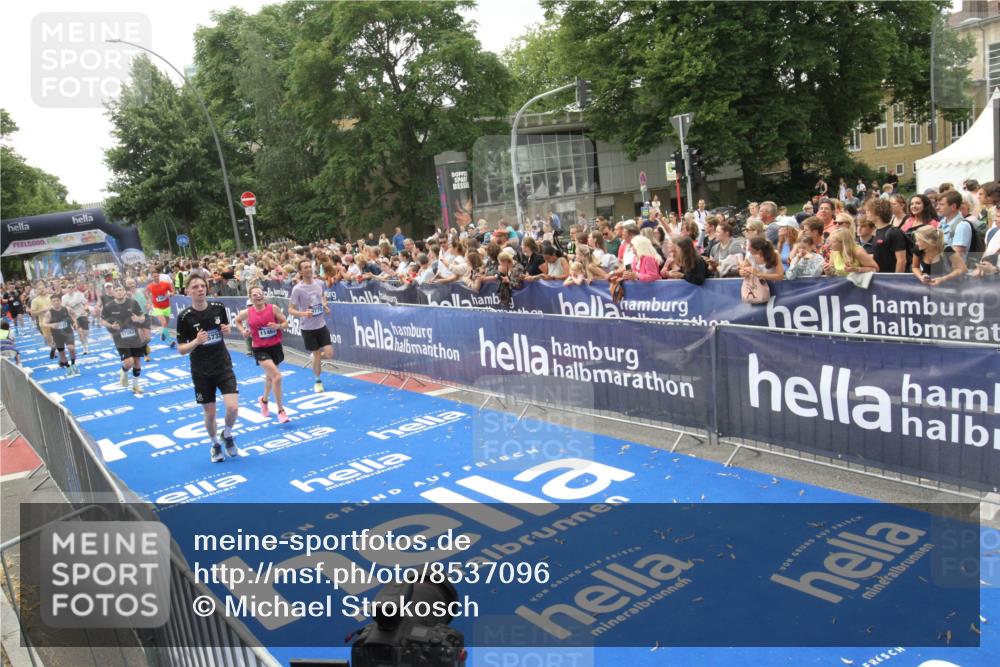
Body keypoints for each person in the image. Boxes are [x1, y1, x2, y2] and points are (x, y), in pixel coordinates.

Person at [175, 274, 239, 463]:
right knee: (210, 414)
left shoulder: (218, 307)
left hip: (223, 365)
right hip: (201, 371)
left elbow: (225, 329)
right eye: (195, 287)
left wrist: (227, 330)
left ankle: (227, 434)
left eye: (202, 286)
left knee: (233, 407)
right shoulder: (184, 317)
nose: (200, 289)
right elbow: (181, 349)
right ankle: (215, 444)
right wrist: (196, 341)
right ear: (188, 291)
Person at [235, 285, 291, 423]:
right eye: (255, 295)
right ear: (250, 298)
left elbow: (285, 323)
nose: (259, 296)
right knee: (277, 376)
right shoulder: (248, 312)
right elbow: (237, 320)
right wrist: (243, 331)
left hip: (275, 347)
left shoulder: (273, 308)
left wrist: (278, 326)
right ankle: (281, 411)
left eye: (260, 293)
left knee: (270, 377)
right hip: (260, 349)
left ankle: (264, 400)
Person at [289, 257, 334, 393]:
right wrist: (303, 313)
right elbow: (290, 309)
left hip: (321, 325)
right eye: (305, 267)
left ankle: (316, 357)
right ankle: (318, 381)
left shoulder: (320, 283)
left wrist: (324, 305)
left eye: (310, 266)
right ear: (300, 272)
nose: (309, 269)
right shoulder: (297, 289)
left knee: (329, 354)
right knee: (317, 355)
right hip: (308, 328)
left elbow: (322, 296)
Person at [100, 283, 146, 395]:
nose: (119, 292)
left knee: (137, 361)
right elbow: (102, 321)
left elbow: (142, 318)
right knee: (129, 362)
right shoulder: (108, 306)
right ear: (113, 293)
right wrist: (111, 326)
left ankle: (135, 385)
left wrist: (138, 318)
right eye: (117, 290)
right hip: (119, 337)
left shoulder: (133, 303)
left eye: (121, 290)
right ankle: (124, 371)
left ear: (125, 291)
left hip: (134, 336)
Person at [866, 198, 908, 273]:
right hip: (880, 276)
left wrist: (896, 279)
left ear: (877, 214)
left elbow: (901, 261)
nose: (866, 213)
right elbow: (879, 255)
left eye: (869, 211)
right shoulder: (877, 231)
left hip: (890, 277)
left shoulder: (894, 232)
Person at [42, 293, 79, 376]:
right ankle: (68, 367)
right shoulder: (49, 313)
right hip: (57, 335)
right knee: (62, 353)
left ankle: (73, 365)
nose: (56, 302)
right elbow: (44, 323)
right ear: (51, 303)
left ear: (60, 301)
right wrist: (51, 325)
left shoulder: (67, 309)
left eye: (57, 300)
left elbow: (74, 315)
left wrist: (75, 322)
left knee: (71, 348)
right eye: (54, 301)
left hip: (68, 332)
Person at [935, 190, 973, 260]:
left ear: (953, 206)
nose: (937, 207)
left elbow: (957, 255)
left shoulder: (962, 225)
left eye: (941, 204)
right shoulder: (942, 222)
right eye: (937, 204)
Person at [147, 273, 176, 348]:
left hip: (166, 307)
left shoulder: (165, 284)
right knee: (164, 323)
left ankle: (163, 332)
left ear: (159, 276)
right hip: (157, 308)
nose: (156, 277)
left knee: (166, 324)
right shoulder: (150, 286)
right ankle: (170, 341)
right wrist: (149, 302)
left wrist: (170, 294)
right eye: (154, 276)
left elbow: (173, 292)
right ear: (152, 278)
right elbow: (147, 294)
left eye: (157, 276)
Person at [63, 279, 90, 355]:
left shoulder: (80, 295)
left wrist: (86, 309)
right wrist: (68, 309)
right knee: (80, 332)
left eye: (72, 287)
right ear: (66, 289)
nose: (71, 288)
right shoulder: (64, 298)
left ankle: (85, 342)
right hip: (73, 318)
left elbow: (86, 303)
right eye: (69, 287)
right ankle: (85, 347)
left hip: (82, 315)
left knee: (86, 333)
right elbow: (63, 308)